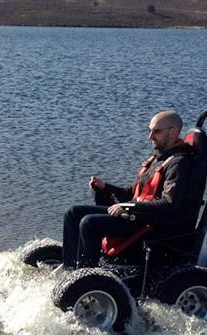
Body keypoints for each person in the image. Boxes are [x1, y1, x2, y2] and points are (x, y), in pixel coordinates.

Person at [62, 110, 199, 268]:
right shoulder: (158, 158)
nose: (150, 136)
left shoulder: (179, 163)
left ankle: (87, 277)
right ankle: (70, 267)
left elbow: (169, 203)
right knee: (73, 213)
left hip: (149, 222)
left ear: (173, 131)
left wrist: (127, 207)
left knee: (89, 223)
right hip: (136, 214)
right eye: (149, 131)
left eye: (156, 131)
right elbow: (135, 193)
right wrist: (105, 188)